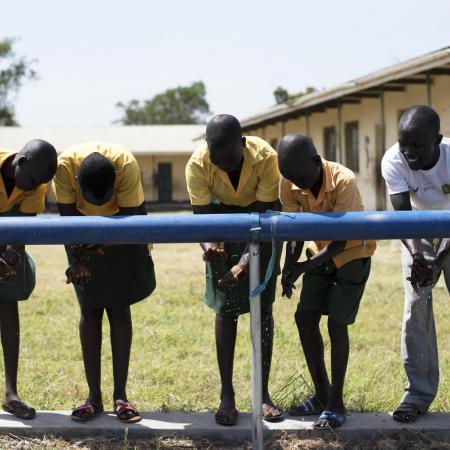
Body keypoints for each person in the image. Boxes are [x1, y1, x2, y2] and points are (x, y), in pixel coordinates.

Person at [185, 114, 283, 426]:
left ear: (242, 144)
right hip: (219, 225)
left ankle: (262, 393)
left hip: (261, 219)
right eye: (218, 160)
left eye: (230, 159)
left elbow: (263, 214)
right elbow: (201, 219)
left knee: (261, 308)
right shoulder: (197, 165)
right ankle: (227, 395)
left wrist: (243, 263)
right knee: (225, 310)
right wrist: (210, 248)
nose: (224, 166)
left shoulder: (267, 158)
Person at [52, 141, 156, 424]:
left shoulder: (126, 165)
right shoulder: (63, 169)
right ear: (77, 183)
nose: (99, 205)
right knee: (90, 308)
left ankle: (121, 395)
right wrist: (77, 259)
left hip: (123, 224)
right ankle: (93, 396)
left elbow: (131, 220)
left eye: (104, 197)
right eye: (93, 199)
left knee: (120, 307)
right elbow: (66, 219)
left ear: (116, 181)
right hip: (79, 226)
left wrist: (100, 242)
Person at [279, 134, 375, 429]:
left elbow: (341, 239)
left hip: (352, 253)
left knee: (336, 323)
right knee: (304, 317)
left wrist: (305, 266)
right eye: (291, 177)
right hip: (319, 251)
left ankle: (335, 402)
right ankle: (320, 394)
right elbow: (293, 229)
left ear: (315, 160)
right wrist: (289, 266)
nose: (298, 183)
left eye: (300, 175)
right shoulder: (291, 181)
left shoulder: (343, 180)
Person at [381, 105, 450, 423]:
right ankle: (417, 394)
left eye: (417, 146)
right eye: (402, 143)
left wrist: (438, 260)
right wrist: (420, 259)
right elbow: (403, 216)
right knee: (416, 305)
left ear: (436, 140)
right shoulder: (393, 159)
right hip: (417, 229)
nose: (408, 152)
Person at [0, 139, 57, 420]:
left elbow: (22, 231)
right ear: (20, 162)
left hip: (6, 240)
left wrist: (11, 258)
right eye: (33, 180)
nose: (35, 188)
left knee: (9, 304)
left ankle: (10, 393)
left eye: (40, 184)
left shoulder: (37, 182)